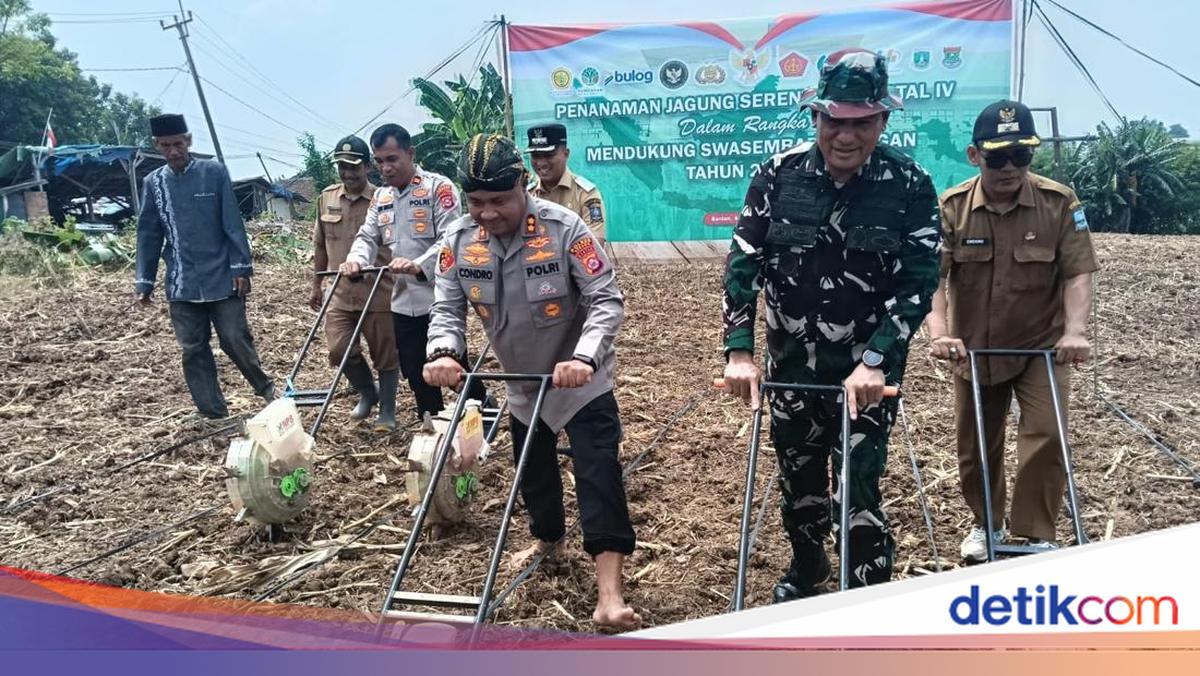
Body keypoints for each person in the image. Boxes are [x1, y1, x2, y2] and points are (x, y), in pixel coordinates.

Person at [720, 49, 941, 599]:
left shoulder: (909, 184)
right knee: (801, 483)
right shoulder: (778, 175)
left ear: (882, 121)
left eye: (861, 123)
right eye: (834, 121)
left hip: (866, 379)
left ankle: (865, 593)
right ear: (815, 117)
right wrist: (739, 351)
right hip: (792, 367)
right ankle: (808, 566)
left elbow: (918, 283)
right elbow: (745, 262)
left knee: (857, 488)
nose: (846, 136)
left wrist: (874, 360)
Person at [424, 133, 639, 630]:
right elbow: (447, 309)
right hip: (523, 388)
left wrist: (584, 357)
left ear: (522, 186)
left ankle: (610, 594)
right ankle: (547, 539)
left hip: (580, 383)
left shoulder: (566, 229)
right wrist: (442, 351)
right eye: (476, 202)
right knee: (535, 475)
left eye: (499, 200)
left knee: (598, 476)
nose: (487, 213)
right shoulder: (457, 243)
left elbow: (606, 299)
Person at [928, 100, 1098, 562]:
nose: (1009, 167)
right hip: (974, 348)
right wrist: (940, 331)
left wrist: (1075, 331)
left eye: (1021, 156)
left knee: (1047, 434)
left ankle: (1036, 532)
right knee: (976, 444)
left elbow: (1078, 272)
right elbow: (933, 278)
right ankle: (986, 524)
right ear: (973, 155)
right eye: (997, 156)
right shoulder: (953, 208)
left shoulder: (1058, 204)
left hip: (1042, 346)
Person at [134, 113, 275, 420]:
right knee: (193, 349)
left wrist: (241, 268)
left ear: (189, 141)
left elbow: (232, 222)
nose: (174, 151)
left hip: (222, 276)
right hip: (181, 283)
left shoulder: (213, 173)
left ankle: (265, 389)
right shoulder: (153, 183)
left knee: (234, 339)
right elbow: (148, 234)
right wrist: (143, 282)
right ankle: (213, 412)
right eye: (166, 145)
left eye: (178, 144)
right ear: (157, 146)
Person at [338, 123, 479, 424]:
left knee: (453, 369)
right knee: (415, 371)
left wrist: (419, 265)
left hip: (438, 298)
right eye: (379, 161)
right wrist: (355, 261)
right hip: (402, 301)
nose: (385, 168)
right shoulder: (381, 198)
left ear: (410, 153)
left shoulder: (438, 189)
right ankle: (433, 429)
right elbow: (367, 236)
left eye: (392, 159)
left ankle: (483, 411)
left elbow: (450, 239)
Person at [310, 135, 400, 431]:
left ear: (367, 167)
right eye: (341, 167)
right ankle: (366, 392)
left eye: (353, 167)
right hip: (340, 292)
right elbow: (320, 245)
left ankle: (387, 409)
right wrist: (316, 285)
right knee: (339, 349)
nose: (347, 173)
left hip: (378, 291)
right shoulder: (327, 198)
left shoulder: (385, 199)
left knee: (385, 354)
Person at [525, 123, 608, 247]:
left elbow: (594, 245)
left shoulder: (586, 194)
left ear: (566, 153)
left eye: (549, 155)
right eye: (535, 156)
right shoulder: (527, 195)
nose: (541, 163)